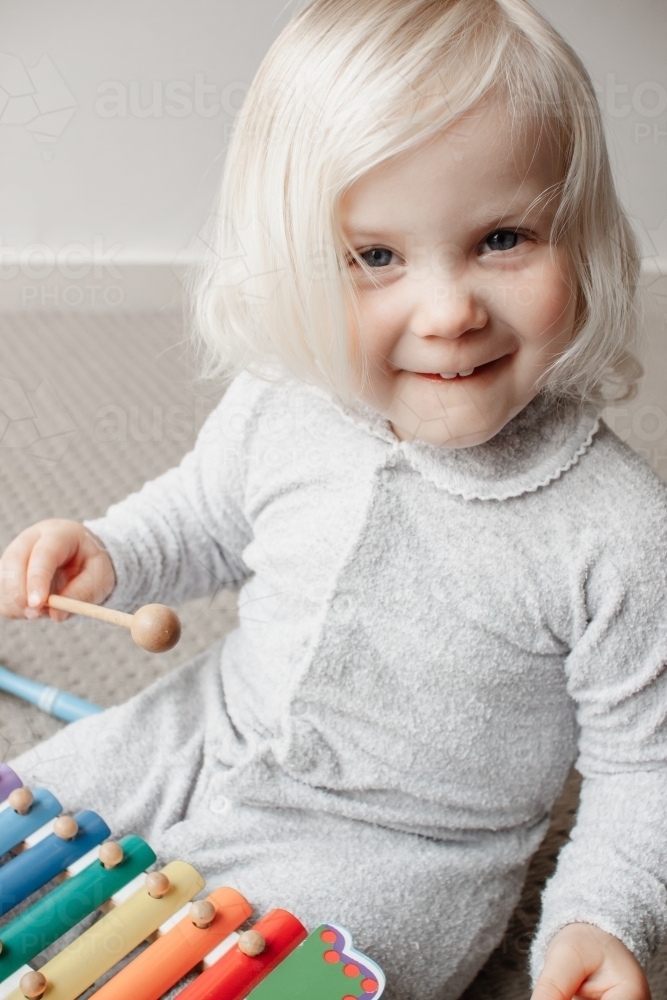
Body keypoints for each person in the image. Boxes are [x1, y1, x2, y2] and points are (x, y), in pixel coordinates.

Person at [0, 1, 663, 997]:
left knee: (257, 978)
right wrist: (111, 548)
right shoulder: (284, 403)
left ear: (582, 233)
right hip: (195, 731)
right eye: (376, 257)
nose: (448, 312)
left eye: (502, 237)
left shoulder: (615, 529)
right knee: (33, 823)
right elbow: (205, 512)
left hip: (396, 851)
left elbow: (643, 767)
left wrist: (601, 911)